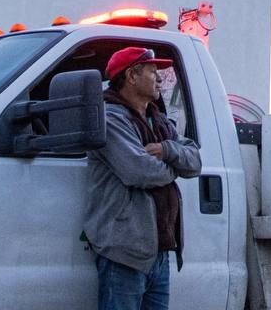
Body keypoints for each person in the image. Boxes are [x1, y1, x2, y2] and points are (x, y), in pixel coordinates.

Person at [84, 46, 202, 310]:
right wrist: (174, 170)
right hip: (124, 253)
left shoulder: (158, 121)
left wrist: (167, 150)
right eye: (152, 71)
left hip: (158, 251)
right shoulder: (109, 119)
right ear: (131, 76)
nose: (159, 78)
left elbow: (195, 162)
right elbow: (140, 171)